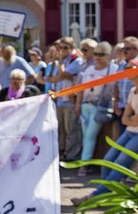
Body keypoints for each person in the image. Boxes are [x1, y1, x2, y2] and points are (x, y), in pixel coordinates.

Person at [71, 58, 138, 207]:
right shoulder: (133, 91)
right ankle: (105, 193)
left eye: (130, 68)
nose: (126, 70)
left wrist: (130, 118)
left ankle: (95, 196)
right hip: (129, 131)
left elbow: (130, 117)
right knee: (107, 161)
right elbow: (126, 118)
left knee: (120, 164)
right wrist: (130, 119)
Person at [74, 42, 118, 176]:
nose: (97, 57)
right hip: (85, 106)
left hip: (98, 107)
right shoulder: (89, 69)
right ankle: (87, 162)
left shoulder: (113, 69)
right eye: (96, 54)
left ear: (108, 55)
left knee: (90, 136)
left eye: (101, 54)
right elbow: (81, 88)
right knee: (85, 136)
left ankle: (84, 164)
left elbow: (115, 89)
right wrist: (78, 104)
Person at [46, 36, 84, 161]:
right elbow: (56, 78)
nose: (62, 50)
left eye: (65, 47)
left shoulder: (76, 61)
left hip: (70, 100)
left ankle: (72, 155)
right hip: (60, 99)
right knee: (60, 129)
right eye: (60, 47)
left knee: (70, 130)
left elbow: (64, 75)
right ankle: (62, 151)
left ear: (72, 48)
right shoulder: (64, 61)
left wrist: (61, 62)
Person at [114, 37, 138, 134]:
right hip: (122, 107)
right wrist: (115, 103)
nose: (124, 51)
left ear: (136, 50)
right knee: (122, 136)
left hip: (134, 108)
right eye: (123, 49)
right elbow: (116, 85)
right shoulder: (121, 65)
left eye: (127, 49)